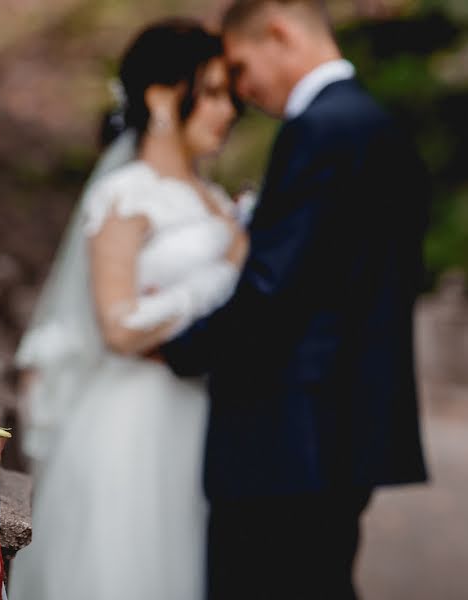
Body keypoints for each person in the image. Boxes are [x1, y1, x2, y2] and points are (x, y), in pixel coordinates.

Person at [159, 1, 429, 598]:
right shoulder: (374, 122)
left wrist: (175, 348)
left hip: (287, 433)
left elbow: (272, 291)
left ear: (279, 35)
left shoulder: (321, 128)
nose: (242, 89)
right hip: (342, 424)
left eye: (240, 66)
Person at [8, 20, 246, 599]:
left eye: (230, 96)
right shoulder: (125, 194)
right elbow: (117, 327)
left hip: (202, 413)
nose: (228, 111)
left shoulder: (216, 200)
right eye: (212, 92)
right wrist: (213, 282)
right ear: (161, 96)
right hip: (132, 419)